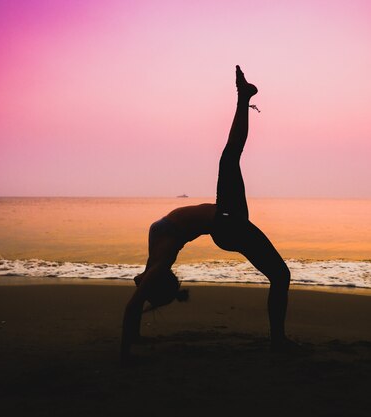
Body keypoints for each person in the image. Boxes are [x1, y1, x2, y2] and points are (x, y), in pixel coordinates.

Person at [121, 65, 291, 361]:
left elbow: (142, 287)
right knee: (230, 157)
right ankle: (243, 97)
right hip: (225, 221)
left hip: (228, 219)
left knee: (280, 275)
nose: (172, 274)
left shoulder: (156, 253)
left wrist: (136, 331)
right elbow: (133, 304)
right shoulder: (162, 259)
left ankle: (243, 97)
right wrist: (124, 355)